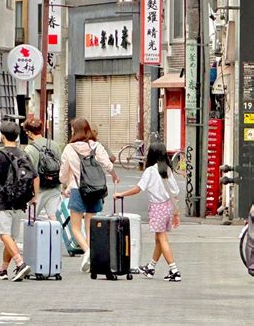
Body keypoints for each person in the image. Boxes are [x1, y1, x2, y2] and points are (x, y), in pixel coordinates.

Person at [0, 121, 39, 282]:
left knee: (4, 235)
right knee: (10, 236)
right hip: (20, 201)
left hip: (3, 200)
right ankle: (3, 269)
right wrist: (34, 196)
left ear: (3, 136)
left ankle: (20, 264)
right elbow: (35, 177)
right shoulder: (23, 154)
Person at [113, 142, 182, 282]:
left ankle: (174, 270)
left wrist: (121, 194)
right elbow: (175, 192)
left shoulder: (151, 171)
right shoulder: (167, 170)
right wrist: (176, 213)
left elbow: (138, 188)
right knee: (159, 239)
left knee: (162, 239)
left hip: (158, 207)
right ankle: (150, 267)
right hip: (168, 206)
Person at [59, 118, 119, 273]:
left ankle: (88, 252)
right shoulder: (96, 145)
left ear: (74, 131)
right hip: (95, 189)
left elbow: (63, 175)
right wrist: (113, 175)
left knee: (75, 227)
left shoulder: (69, 149)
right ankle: (92, 257)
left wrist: (65, 184)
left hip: (78, 190)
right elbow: (108, 164)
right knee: (90, 226)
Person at [23, 118, 62, 221]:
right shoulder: (55, 145)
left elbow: (29, 173)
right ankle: (56, 236)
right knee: (54, 218)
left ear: (30, 133)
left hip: (38, 190)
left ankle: (33, 237)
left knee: (32, 219)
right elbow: (61, 166)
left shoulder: (29, 149)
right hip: (55, 187)